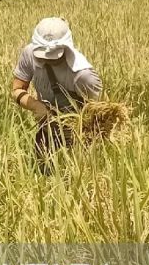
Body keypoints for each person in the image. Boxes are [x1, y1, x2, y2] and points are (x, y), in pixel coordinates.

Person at [11, 17, 103, 163]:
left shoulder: (83, 76)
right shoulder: (29, 54)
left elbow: (99, 115)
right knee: (40, 172)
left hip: (78, 136)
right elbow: (16, 89)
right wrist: (36, 106)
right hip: (47, 128)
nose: (47, 59)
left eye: (54, 57)